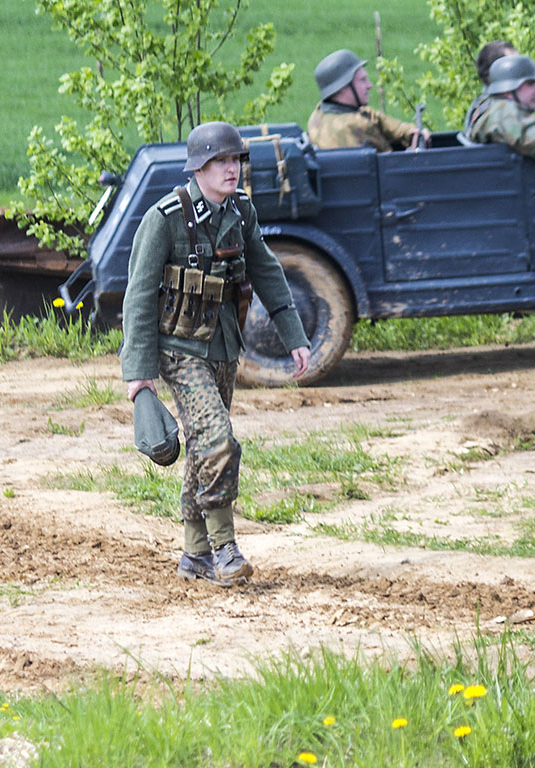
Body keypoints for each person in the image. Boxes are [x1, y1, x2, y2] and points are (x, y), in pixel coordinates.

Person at [120, 121, 311, 588]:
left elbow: (267, 271)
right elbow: (139, 296)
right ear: (199, 167)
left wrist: (295, 336)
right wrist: (139, 373)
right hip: (179, 350)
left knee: (204, 446)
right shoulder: (164, 218)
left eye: (236, 160)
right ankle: (225, 548)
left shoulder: (240, 212)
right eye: (222, 161)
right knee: (219, 440)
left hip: (224, 345)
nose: (232, 169)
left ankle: (194, 554)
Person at [307, 49, 429, 152]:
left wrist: (408, 131)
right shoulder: (355, 126)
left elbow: (372, 116)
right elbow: (390, 161)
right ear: (342, 88)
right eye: (362, 80)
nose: (369, 85)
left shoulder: (319, 114)